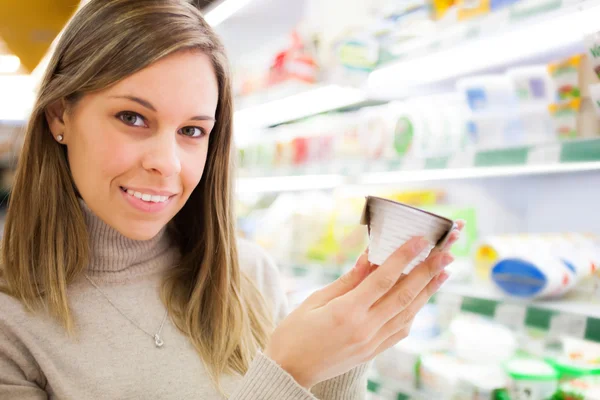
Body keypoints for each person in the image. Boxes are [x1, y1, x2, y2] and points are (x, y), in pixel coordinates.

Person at [0, 1, 461, 399]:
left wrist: (346, 355)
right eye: (132, 117)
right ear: (60, 115)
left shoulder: (248, 274)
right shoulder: (11, 321)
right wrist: (288, 373)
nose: (167, 163)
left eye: (192, 131)